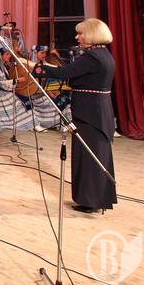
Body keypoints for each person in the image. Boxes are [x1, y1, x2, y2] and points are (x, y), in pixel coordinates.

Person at [34, 18, 117, 213]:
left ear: (92, 34)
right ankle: (96, 198)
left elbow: (66, 73)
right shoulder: (103, 54)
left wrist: (41, 69)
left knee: (89, 156)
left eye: (81, 33)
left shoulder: (92, 57)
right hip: (98, 111)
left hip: (90, 113)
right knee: (96, 154)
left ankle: (90, 201)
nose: (77, 37)